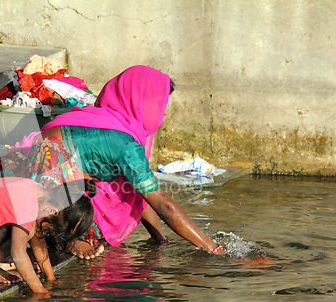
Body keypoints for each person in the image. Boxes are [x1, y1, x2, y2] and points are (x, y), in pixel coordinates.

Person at [36, 65, 226, 258]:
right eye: (161, 105)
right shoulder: (124, 143)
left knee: (132, 183)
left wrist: (161, 242)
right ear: (140, 101)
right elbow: (163, 204)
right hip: (42, 190)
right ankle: (64, 241)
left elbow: (141, 193)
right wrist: (215, 250)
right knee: (91, 223)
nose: (165, 112)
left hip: (40, 171)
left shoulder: (104, 118)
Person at [0, 177, 97, 294]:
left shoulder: (34, 188)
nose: (47, 231)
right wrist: (40, 291)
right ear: (53, 211)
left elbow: (37, 241)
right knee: (28, 231)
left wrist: (50, 278)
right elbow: (18, 252)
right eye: (51, 227)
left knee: (31, 229)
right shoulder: (28, 206)